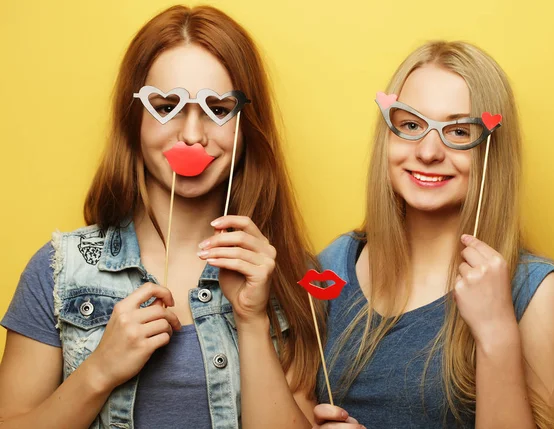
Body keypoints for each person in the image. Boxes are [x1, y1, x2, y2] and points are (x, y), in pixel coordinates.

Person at [0, 5, 323, 429]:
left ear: (246, 126)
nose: (191, 135)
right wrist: (100, 370)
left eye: (219, 109)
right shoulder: (58, 270)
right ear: (134, 116)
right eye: (167, 105)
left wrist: (252, 319)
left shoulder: (290, 276)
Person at [312, 41, 554, 429]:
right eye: (411, 125)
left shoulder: (535, 291)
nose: (429, 151)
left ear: (491, 149)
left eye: (458, 131)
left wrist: (495, 331)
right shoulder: (333, 265)